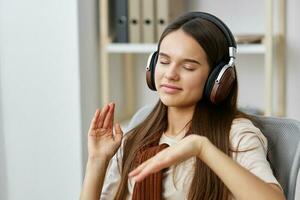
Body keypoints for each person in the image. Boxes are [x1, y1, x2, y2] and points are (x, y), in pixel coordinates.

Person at [80, 12, 285, 200]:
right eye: (164, 61)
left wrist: (202, 148)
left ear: (219, 78)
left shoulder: (235, 135)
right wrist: (97, 161)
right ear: (152, 66)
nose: (171, 74)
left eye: (188, 67)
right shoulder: (136, 139)